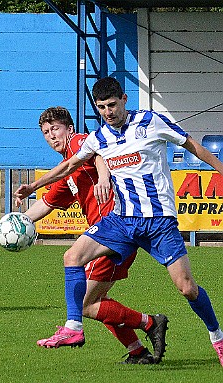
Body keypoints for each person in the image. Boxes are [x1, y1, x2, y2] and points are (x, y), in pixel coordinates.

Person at [14, 78, 223, 367]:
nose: (108, 112)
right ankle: (74, 327)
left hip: (158, 221)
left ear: (124, 99)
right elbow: (68, 166)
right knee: (72, 257)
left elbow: (193, 146)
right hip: (121, 221)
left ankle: (216, 337)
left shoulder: (150, 122)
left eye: (112, 105)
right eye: (101, 107)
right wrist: (32, 187)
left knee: (186, 287)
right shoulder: (99, 137)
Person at [23, 106, 168, 364]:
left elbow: (100, 153)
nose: (51, 136)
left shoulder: (79, 142)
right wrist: (19, 222)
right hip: (103, 236)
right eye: (46, 132)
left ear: (70, 128)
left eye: (55, 128)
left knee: (85, 303)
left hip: (116, 232)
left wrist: (103, 178)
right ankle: (137, 350)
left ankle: (150, 323)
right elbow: (47, 203)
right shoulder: (68, 170)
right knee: (95, 300)